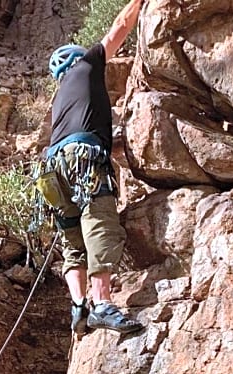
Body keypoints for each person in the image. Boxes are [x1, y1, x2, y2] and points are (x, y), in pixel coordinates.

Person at [44, 0, 146, 337]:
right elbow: (119, 27)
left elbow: (83, 132)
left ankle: (79, 308)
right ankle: (101, 305)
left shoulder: (60, 98)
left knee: (72, 238)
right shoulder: (87, 64)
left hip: (52, 168)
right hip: (81, 157)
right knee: (98, 217)